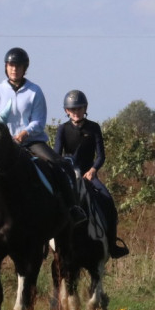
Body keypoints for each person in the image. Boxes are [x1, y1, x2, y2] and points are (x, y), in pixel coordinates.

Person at [0, 47, 83, 229]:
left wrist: (24, 134)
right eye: (11, 65)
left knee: (59, 163)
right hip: (4, 145)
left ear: (25, 68)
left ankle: (73, 207)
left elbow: (39, 122)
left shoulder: (34, 91)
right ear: (6, 67)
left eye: (18, 66)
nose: (14, 69)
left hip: (32, 141)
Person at [53, 89, 129, 258]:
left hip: (89, 174)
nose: (75, 112)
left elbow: (101, 156)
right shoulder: (62, 129)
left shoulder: (94, 128)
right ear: (66, 111)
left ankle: (112, 245)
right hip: (69, 175)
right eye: (72, 109)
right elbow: (57, 154)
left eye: (79, 108)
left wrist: (93, 170)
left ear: (85, 108)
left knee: (108, 200)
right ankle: (46, 244)